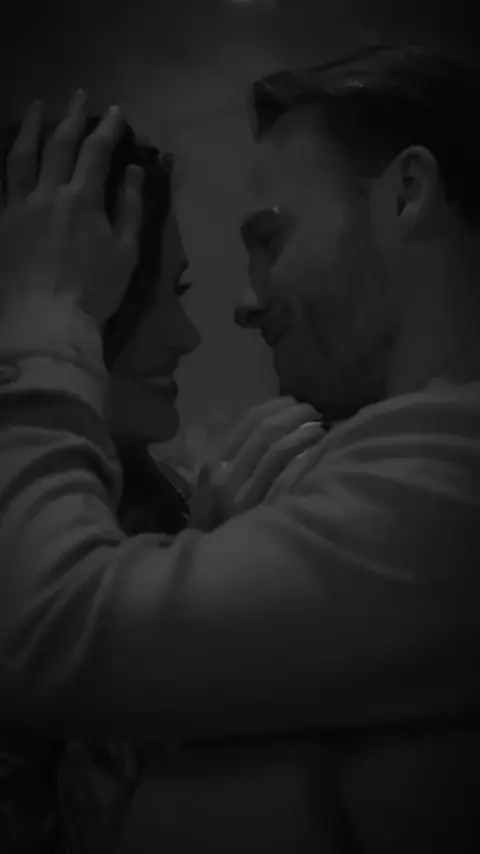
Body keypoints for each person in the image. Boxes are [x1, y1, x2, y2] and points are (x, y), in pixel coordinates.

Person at [1, 42, 480, 852]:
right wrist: (208, 563)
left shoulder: (455, 488)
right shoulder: (365, 474)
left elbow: (51, 631)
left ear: (406, 195)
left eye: (272, 237)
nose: (242, 307)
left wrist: (46, 318)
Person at [0, 100, 324, 852]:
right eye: (131, 293)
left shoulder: (159, 503)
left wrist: (200, 585)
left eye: (175, 292)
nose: (186, 335)